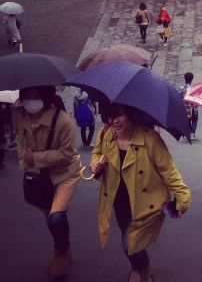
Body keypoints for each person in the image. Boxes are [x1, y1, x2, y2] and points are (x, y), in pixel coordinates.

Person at [89, 103, 191, 282]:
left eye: (119, 115)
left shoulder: (150, 139)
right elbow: (97, 153)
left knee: (130, 245)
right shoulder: (106, 134)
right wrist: (96, 164)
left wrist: (183, 197)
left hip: (146, 202)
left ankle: (143, 274)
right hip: (118, 200)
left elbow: (169, 171)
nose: (114, 121)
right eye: (111, 116)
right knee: (130, 241)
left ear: (131, 115)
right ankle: (140, 269)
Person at [14, 85, 81, 278]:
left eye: (35, 96)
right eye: (26, 96)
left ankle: (61, 251)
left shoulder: (63, 121)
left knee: (56, 216)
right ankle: (63, 245)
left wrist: (35, 157)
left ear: (45, 97)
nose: (30, 100)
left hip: (64, 174)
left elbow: (67, 154)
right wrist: (25, 159)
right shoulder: (21, 119)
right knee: (50, 218)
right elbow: (21, 147)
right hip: (39, 176)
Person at [179, 72, 198, 140]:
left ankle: (188, 132)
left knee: (188, 120)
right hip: (194, 108)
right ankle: (192, 133)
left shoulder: (181, 88)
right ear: (192, 79)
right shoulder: (194, 88)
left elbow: (179, 97)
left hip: (185, 108)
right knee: (194, 120)